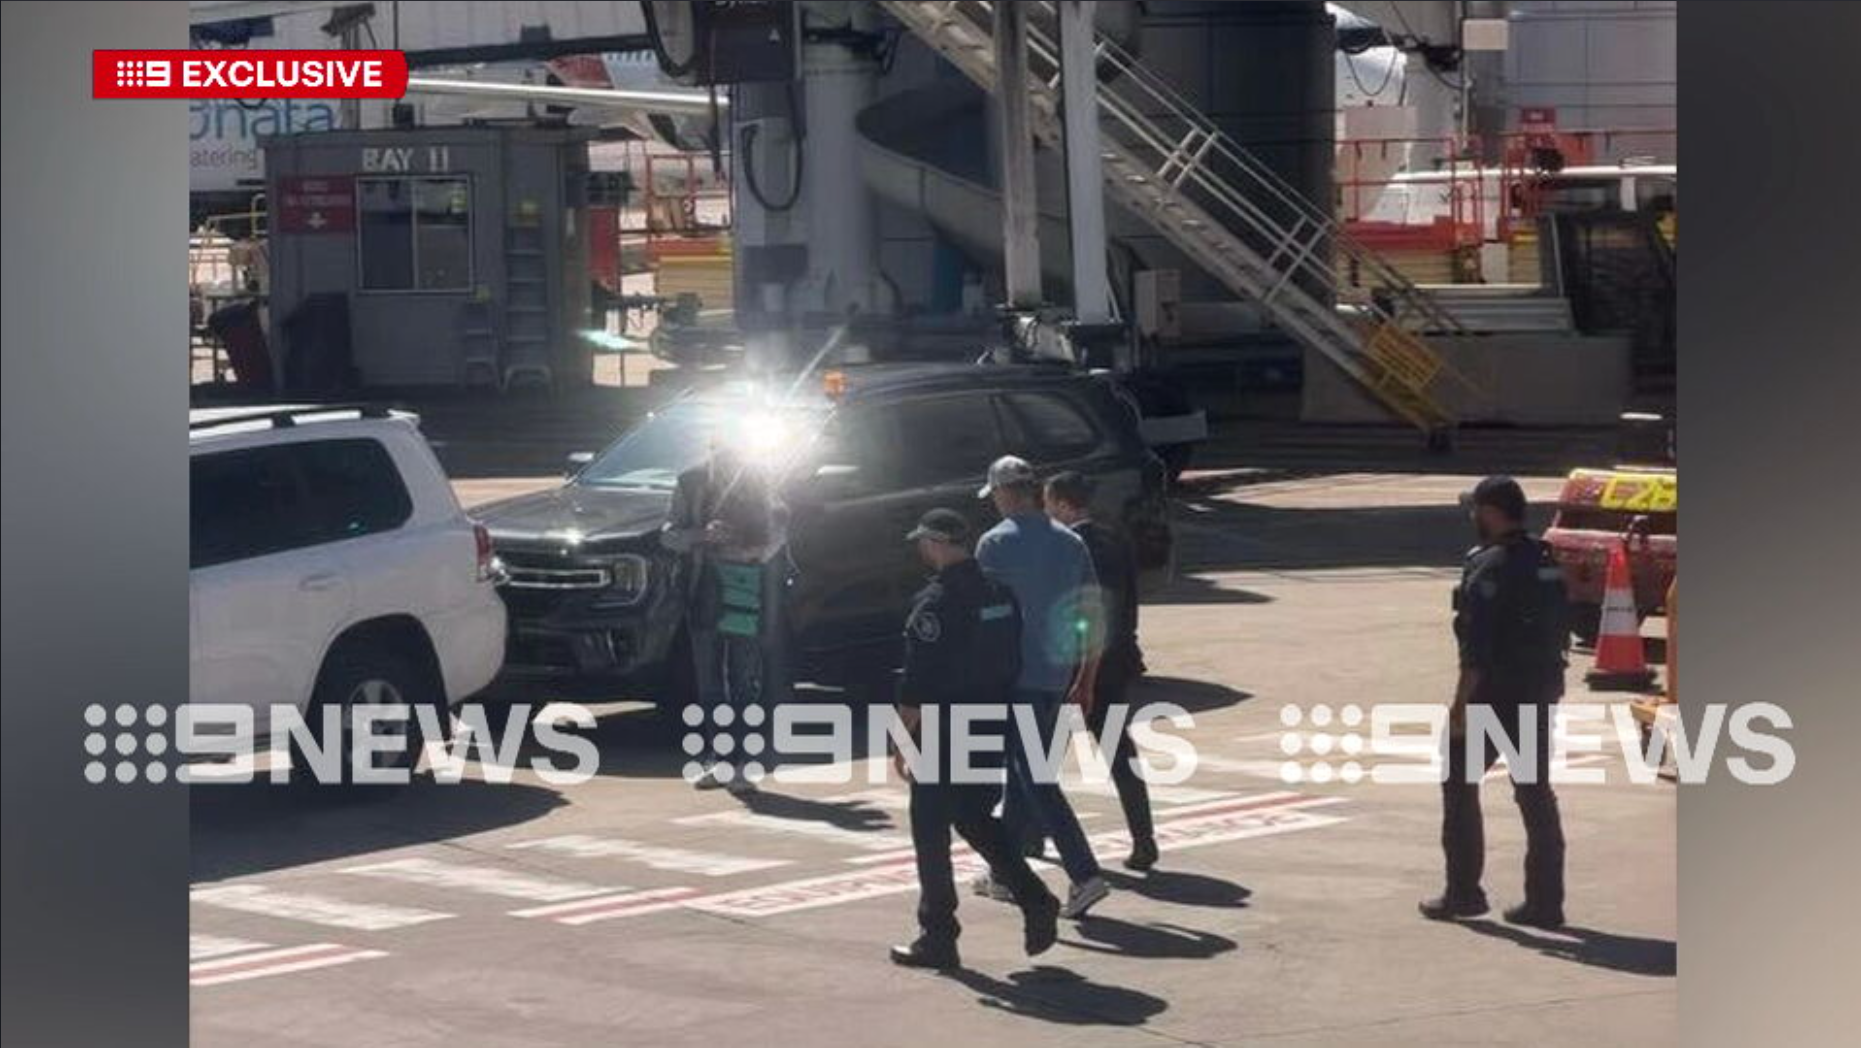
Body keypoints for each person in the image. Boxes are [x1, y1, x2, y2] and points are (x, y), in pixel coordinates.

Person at [889, 509, 1061, 970]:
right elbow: (1011, 656)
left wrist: (901, 740)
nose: (921, 549)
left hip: (944, 727)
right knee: (974, 817)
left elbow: (918, 681)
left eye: (923, 542)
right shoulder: (999, 594)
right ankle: (1034, 898)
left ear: (936, 543)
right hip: (989, 718)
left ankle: (938, 935)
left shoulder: (936, 602)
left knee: (930, 830)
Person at [1421, 475, 1570, 929]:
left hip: (1493, 696)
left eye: (1475, 509)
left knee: (1459, 784)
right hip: (1538, 691)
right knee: (1535, 793)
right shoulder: (1544, 558)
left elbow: (1477, 649)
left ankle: (1463, 893)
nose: (1472, 516)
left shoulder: (1489, 566)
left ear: (1490, 512)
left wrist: (1459, 707)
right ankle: (1545, 903)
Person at [970, 455, 1110, 920]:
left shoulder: (993, 544)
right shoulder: (1070, 541)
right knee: (1023, 773)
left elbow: (982, 618)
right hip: (1057, 674)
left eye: (994, 496)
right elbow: (1092, 615)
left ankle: (1084, 873)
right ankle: (1004, 872)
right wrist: (1085, 679)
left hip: (1015, 678)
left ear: (1003, 494)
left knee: (1035, 779)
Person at [1043, 471, 1157, 871]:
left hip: (1080, 668)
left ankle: (1031, 832)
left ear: (1062, 504)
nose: (1046, 512)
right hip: (1117, 661)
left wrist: (1077, 672)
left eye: (1048, 503)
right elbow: (1128, 602)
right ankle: (1144, 838)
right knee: (1119, 754)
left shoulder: (1071, 548)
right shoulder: (1114, 539)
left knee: (1042, 757)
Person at [662, 441, 790, 795]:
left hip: (746, 591)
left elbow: (780, 527)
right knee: (710, 683)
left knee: (743, 680)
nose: (726, 466)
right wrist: (702, 535)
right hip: (704, 590)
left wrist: (754, 551)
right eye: (719, 457)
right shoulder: (691, 482)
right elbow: (668, 535)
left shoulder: (760, 478)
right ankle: (720, 759)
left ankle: (743, 762)